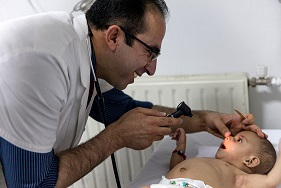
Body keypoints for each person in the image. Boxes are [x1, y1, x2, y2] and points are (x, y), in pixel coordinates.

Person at [0, 0, 266, 187]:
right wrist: (116, 137)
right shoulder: (38, 61)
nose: (152, 69)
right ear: (114, 37)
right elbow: (33, 183)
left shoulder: (88, 53)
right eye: (150, 52)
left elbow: (127, 112)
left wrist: (206, 119)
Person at [144, 128, 280, 188]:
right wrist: (180, 146)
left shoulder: (240, 177)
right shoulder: (208, 161)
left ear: (250, 161)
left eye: (239, 140)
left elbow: (270, 181)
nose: (228, 137)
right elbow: (175, 167)